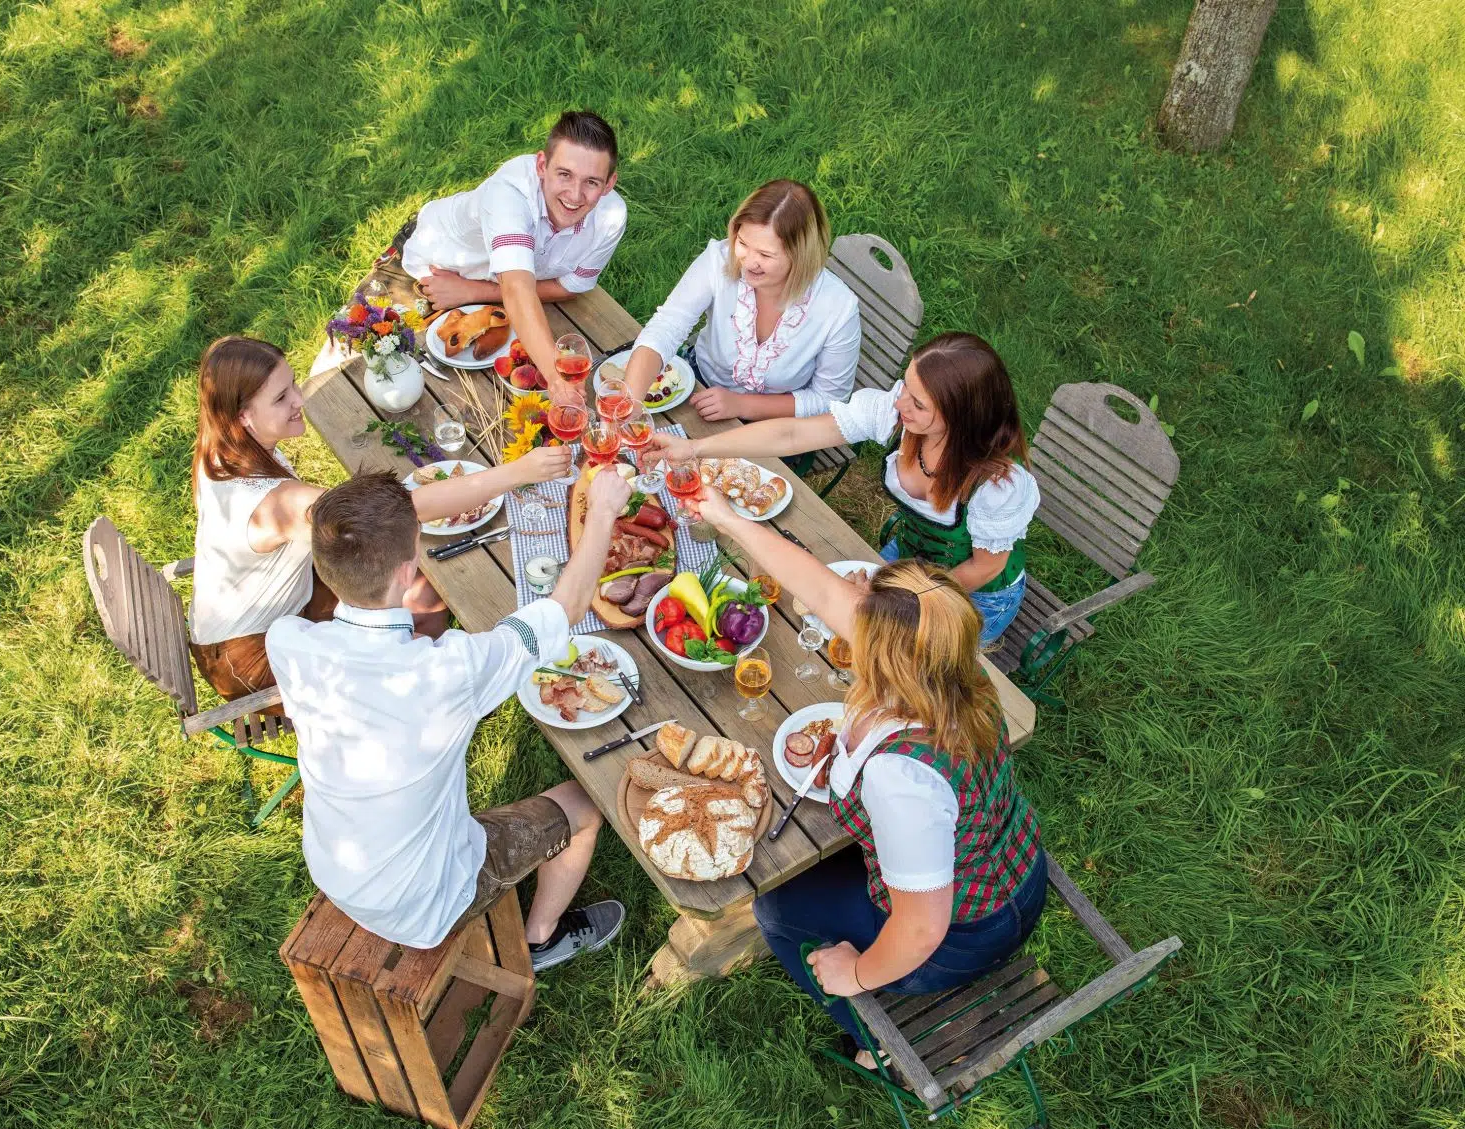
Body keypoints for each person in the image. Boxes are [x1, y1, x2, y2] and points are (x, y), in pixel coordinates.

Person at [687, 486, 1046, 1063]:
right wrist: (725, 517)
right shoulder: (948, 666)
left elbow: (922, 928)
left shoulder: (903, 780)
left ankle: (870, 1041)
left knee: (776, 910)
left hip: (963, 935)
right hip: (1012, 869)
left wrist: (854, 971)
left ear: (880, 656)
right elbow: (820, 586)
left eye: (863, 596)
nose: (848, 594)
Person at [265, 466, 636, 968]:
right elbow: (565, 608)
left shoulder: (287, 640)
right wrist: (604, 514)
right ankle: (541, 940)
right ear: (406, 569)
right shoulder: (448, 672)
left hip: (336, 867)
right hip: (425, 905)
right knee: (587, 804)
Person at [187, 335, 571, 702]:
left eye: (293, 385)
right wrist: (516, 472)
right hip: (251, 660)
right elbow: (402, 510)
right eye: (282, 397)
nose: (299, 399)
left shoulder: (223, 451)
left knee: (411, 571)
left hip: (283, 608)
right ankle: (426, 695)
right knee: (418, 586)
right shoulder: (278, 505)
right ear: (243, 417)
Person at [648, 332, 1038, 644]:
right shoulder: (895, 415)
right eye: (904, 386)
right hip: (905, 561)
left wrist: (900, 600)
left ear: (961, 418)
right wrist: (694, 447)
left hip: (971, 594)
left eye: (917, 404)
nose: (900, 404)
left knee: (898, 668)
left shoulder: (998, 486)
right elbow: (790, 434)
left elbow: (987, 566)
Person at [402, 110, 627, 413]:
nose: (575, 195)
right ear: (541, 165)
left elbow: (572, 286)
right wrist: (558, 380)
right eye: (564, 174)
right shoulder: (508, 194)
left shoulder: (612, 216)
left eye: (591, 182)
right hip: (437, 270)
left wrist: (472, 292)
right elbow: (519, 292)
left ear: (610, 183)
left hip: (478, 289)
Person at [622, 179, 859, 425]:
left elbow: (830, 399)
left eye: (766, 255)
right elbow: (668, 325)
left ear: (801, 256)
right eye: (743, 243)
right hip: (699, 388)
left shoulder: (838, 309)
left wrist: (740, 404)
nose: (748, 261)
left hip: (778, 424)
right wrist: (630, 402)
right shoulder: (719, 259)